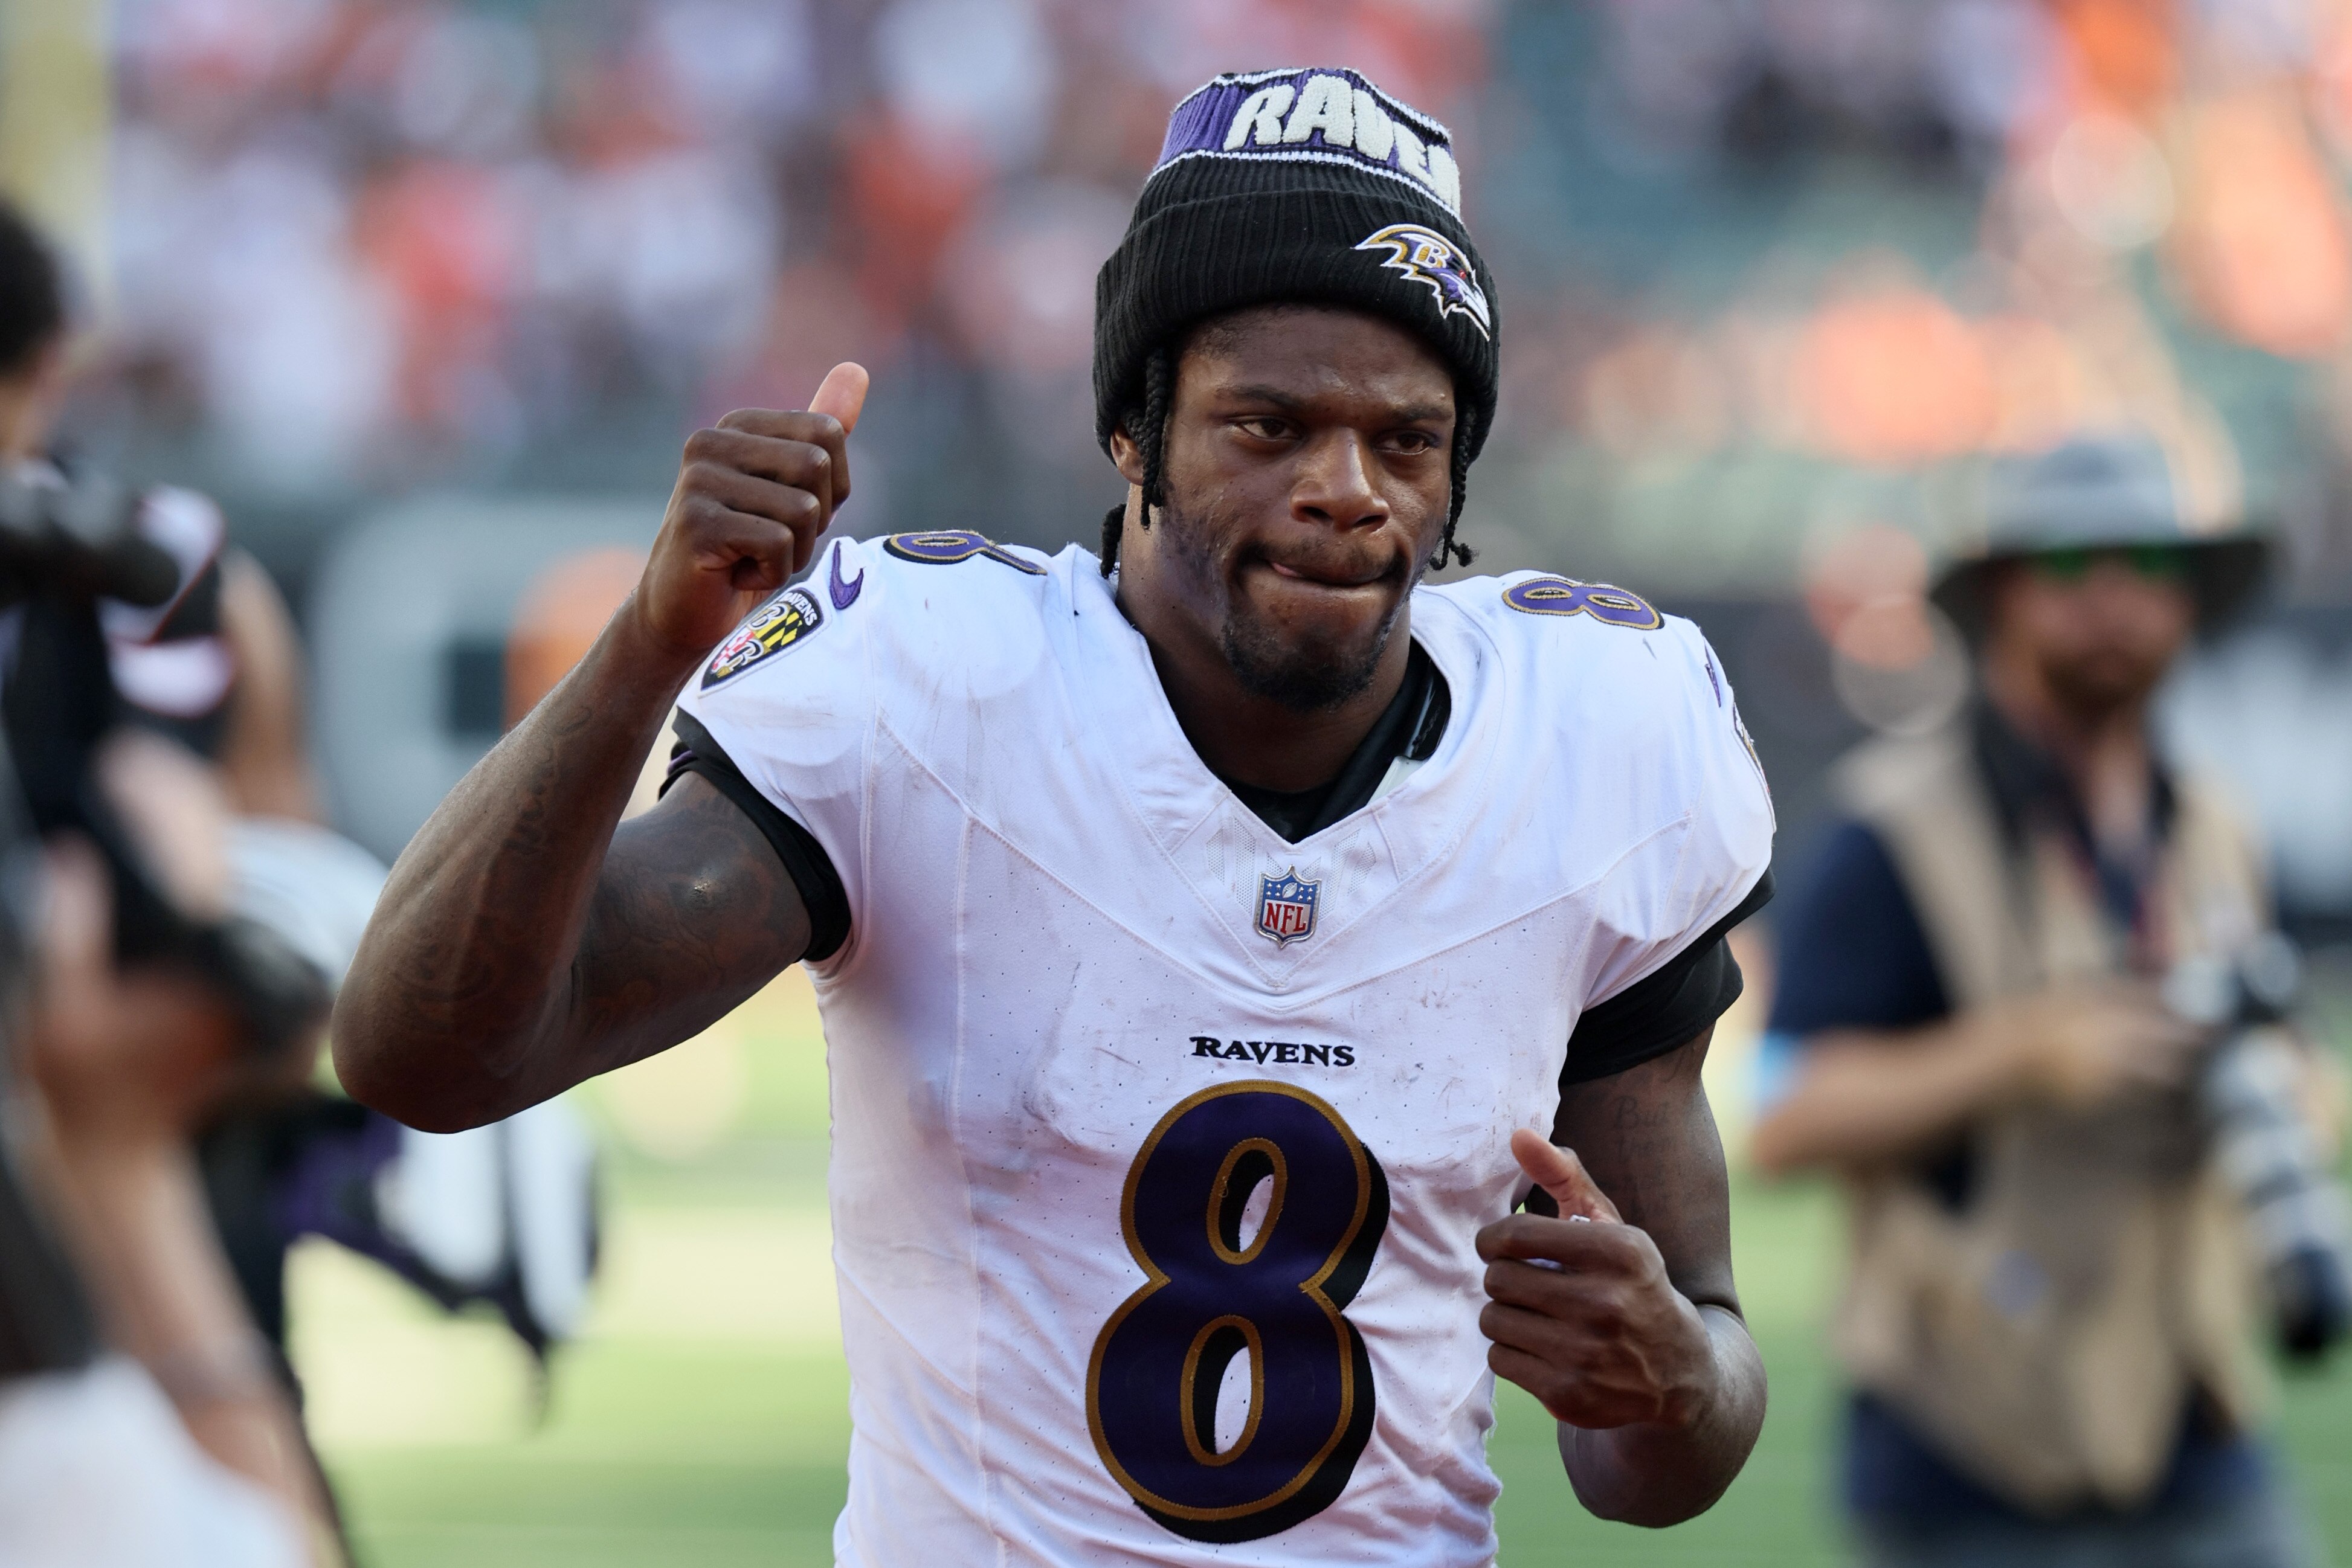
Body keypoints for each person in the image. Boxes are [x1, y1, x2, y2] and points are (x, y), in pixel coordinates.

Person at [338, 68, 1777, 1561]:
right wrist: (646, 647)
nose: (1347, 491)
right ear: (1133, 436)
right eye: (1267, 426)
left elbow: (1659, 1450)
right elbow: (422, 1051)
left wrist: (1670, 1371)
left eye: (1406, 442)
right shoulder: (935, 688)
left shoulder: (1597, 739)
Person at [1750, 432, 2322, 1567]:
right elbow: (1784, 1116)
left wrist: (2293, 1092)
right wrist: (2016, 1056)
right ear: (2001, 594)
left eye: (2149, 569)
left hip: (2194, 1414)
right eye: (2071, 569)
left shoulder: (2211, 824)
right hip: (1967, 1448)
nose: (2113, 600)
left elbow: (2284, 1050)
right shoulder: (1891, 829)